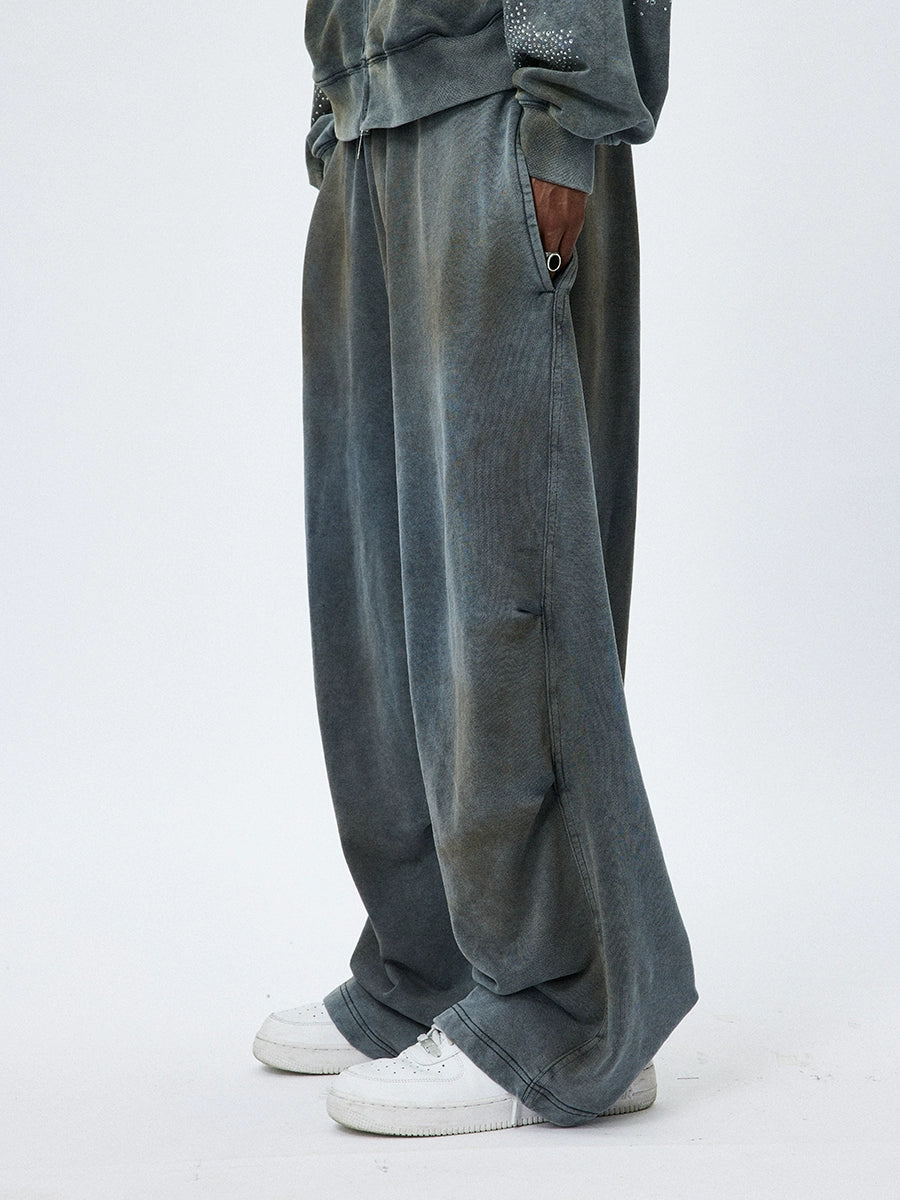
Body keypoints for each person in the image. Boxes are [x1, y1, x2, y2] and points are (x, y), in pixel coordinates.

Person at [253, 0, 698, 1136]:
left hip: (498, 101)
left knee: (504, 581)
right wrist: (335, 100)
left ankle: (559, 1007)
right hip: (373, 111)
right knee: (375, 585)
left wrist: (565, 111)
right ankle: (437, 966)